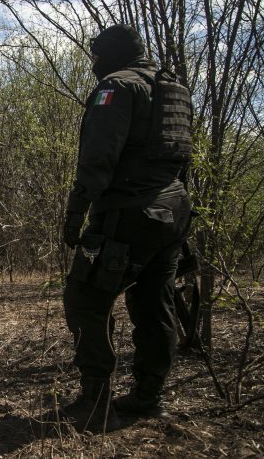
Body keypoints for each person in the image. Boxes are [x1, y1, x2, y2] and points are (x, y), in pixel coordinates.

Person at [59, 24, 193, 432]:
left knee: (86, 298)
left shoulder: (116, 88)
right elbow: (181, 155)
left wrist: (75, 212)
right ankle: (148, 398)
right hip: (172, 211)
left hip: (128, 214)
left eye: (96, 56)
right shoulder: (175, 89)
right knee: (154, 301)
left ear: (112, 54)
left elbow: (98, 158)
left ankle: (96, 404)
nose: (94, 63)